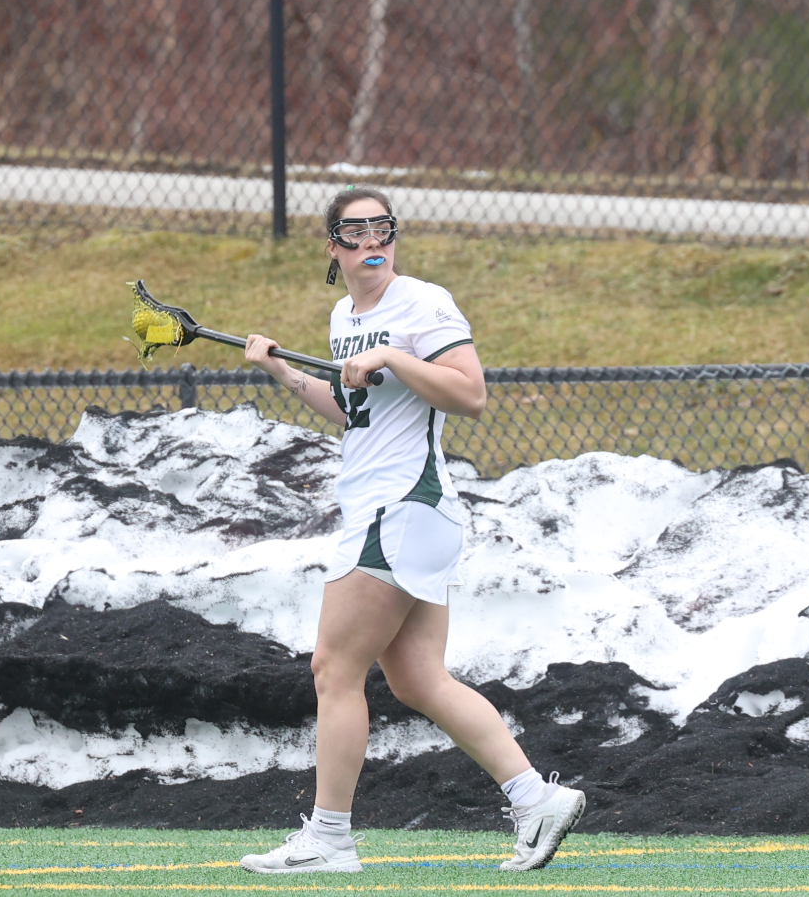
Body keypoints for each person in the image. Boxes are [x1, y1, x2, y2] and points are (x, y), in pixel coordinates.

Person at [236, 186, 584, 874]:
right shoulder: (343, 314)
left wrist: (394, 356)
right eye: (354, 231)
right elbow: (351, 408)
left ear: (393, 237)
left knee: (333, 667)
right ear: (333, 247)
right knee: (419, 678)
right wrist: (281, 369)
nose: (371, 241)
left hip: (402, 507)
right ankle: (535, 797)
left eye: (381, 229)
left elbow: (471, 393)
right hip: (393, 511)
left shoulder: (423, 303)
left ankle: (330, 836)